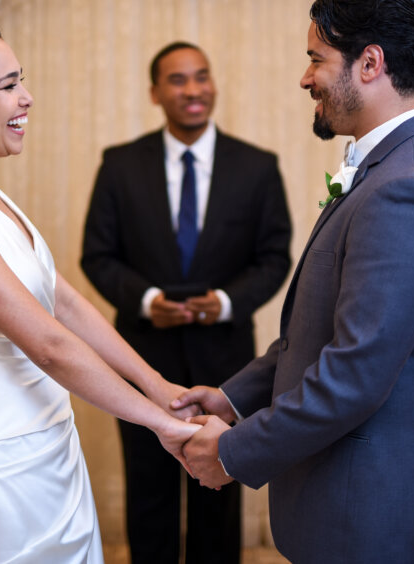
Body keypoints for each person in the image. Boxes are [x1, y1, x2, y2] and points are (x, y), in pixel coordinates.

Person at [174, 0, 414, 564]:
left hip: (370, 513)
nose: (305, 77)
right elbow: (317, 333)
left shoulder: (409, 189)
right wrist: (231, 399)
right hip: (350, 503)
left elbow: (353, 375)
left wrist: (232, 451)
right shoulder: (395, 168)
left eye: (316, 58)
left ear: (370, 63)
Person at [0, 15, 200, 563]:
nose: (26, 98)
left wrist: (159, 385)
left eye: (20, 81)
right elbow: (47, 344)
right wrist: (162, 425)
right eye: (7, 86)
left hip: (50, 449)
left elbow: (65, 302)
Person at [81, 42, 292, 564]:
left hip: (226, 365)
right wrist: (147, 300)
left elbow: (273, 257)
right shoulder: (120, 164)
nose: (193, 89)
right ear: (155, 92)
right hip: (143, 358)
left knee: (217, 494)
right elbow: (97, 255)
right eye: (178, 80)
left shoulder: (258, 167)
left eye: (202, 77)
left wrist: (224, 302)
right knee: (148, 492)